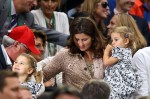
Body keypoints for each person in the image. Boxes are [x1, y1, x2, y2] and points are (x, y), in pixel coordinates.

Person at [43, 17, 106, 90]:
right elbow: (43, 76)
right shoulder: (65, 55)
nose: (80, 44)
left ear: (93, 37)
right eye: (77, 39)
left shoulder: (104, 53)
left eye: (84, 40)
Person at [0, 0, 68, 46]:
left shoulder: (28, 17)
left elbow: (45, 33)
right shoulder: (1, 4)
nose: (35, 3)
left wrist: (71, 40)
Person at [103, 26, 142, 98]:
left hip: (118, 81)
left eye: (116, 40)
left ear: (126, 41)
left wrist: (106, 51)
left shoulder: (120, 51)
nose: (113, 43)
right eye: (112, 40)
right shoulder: (127, 50)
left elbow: (106, 62)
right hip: (122, 79)